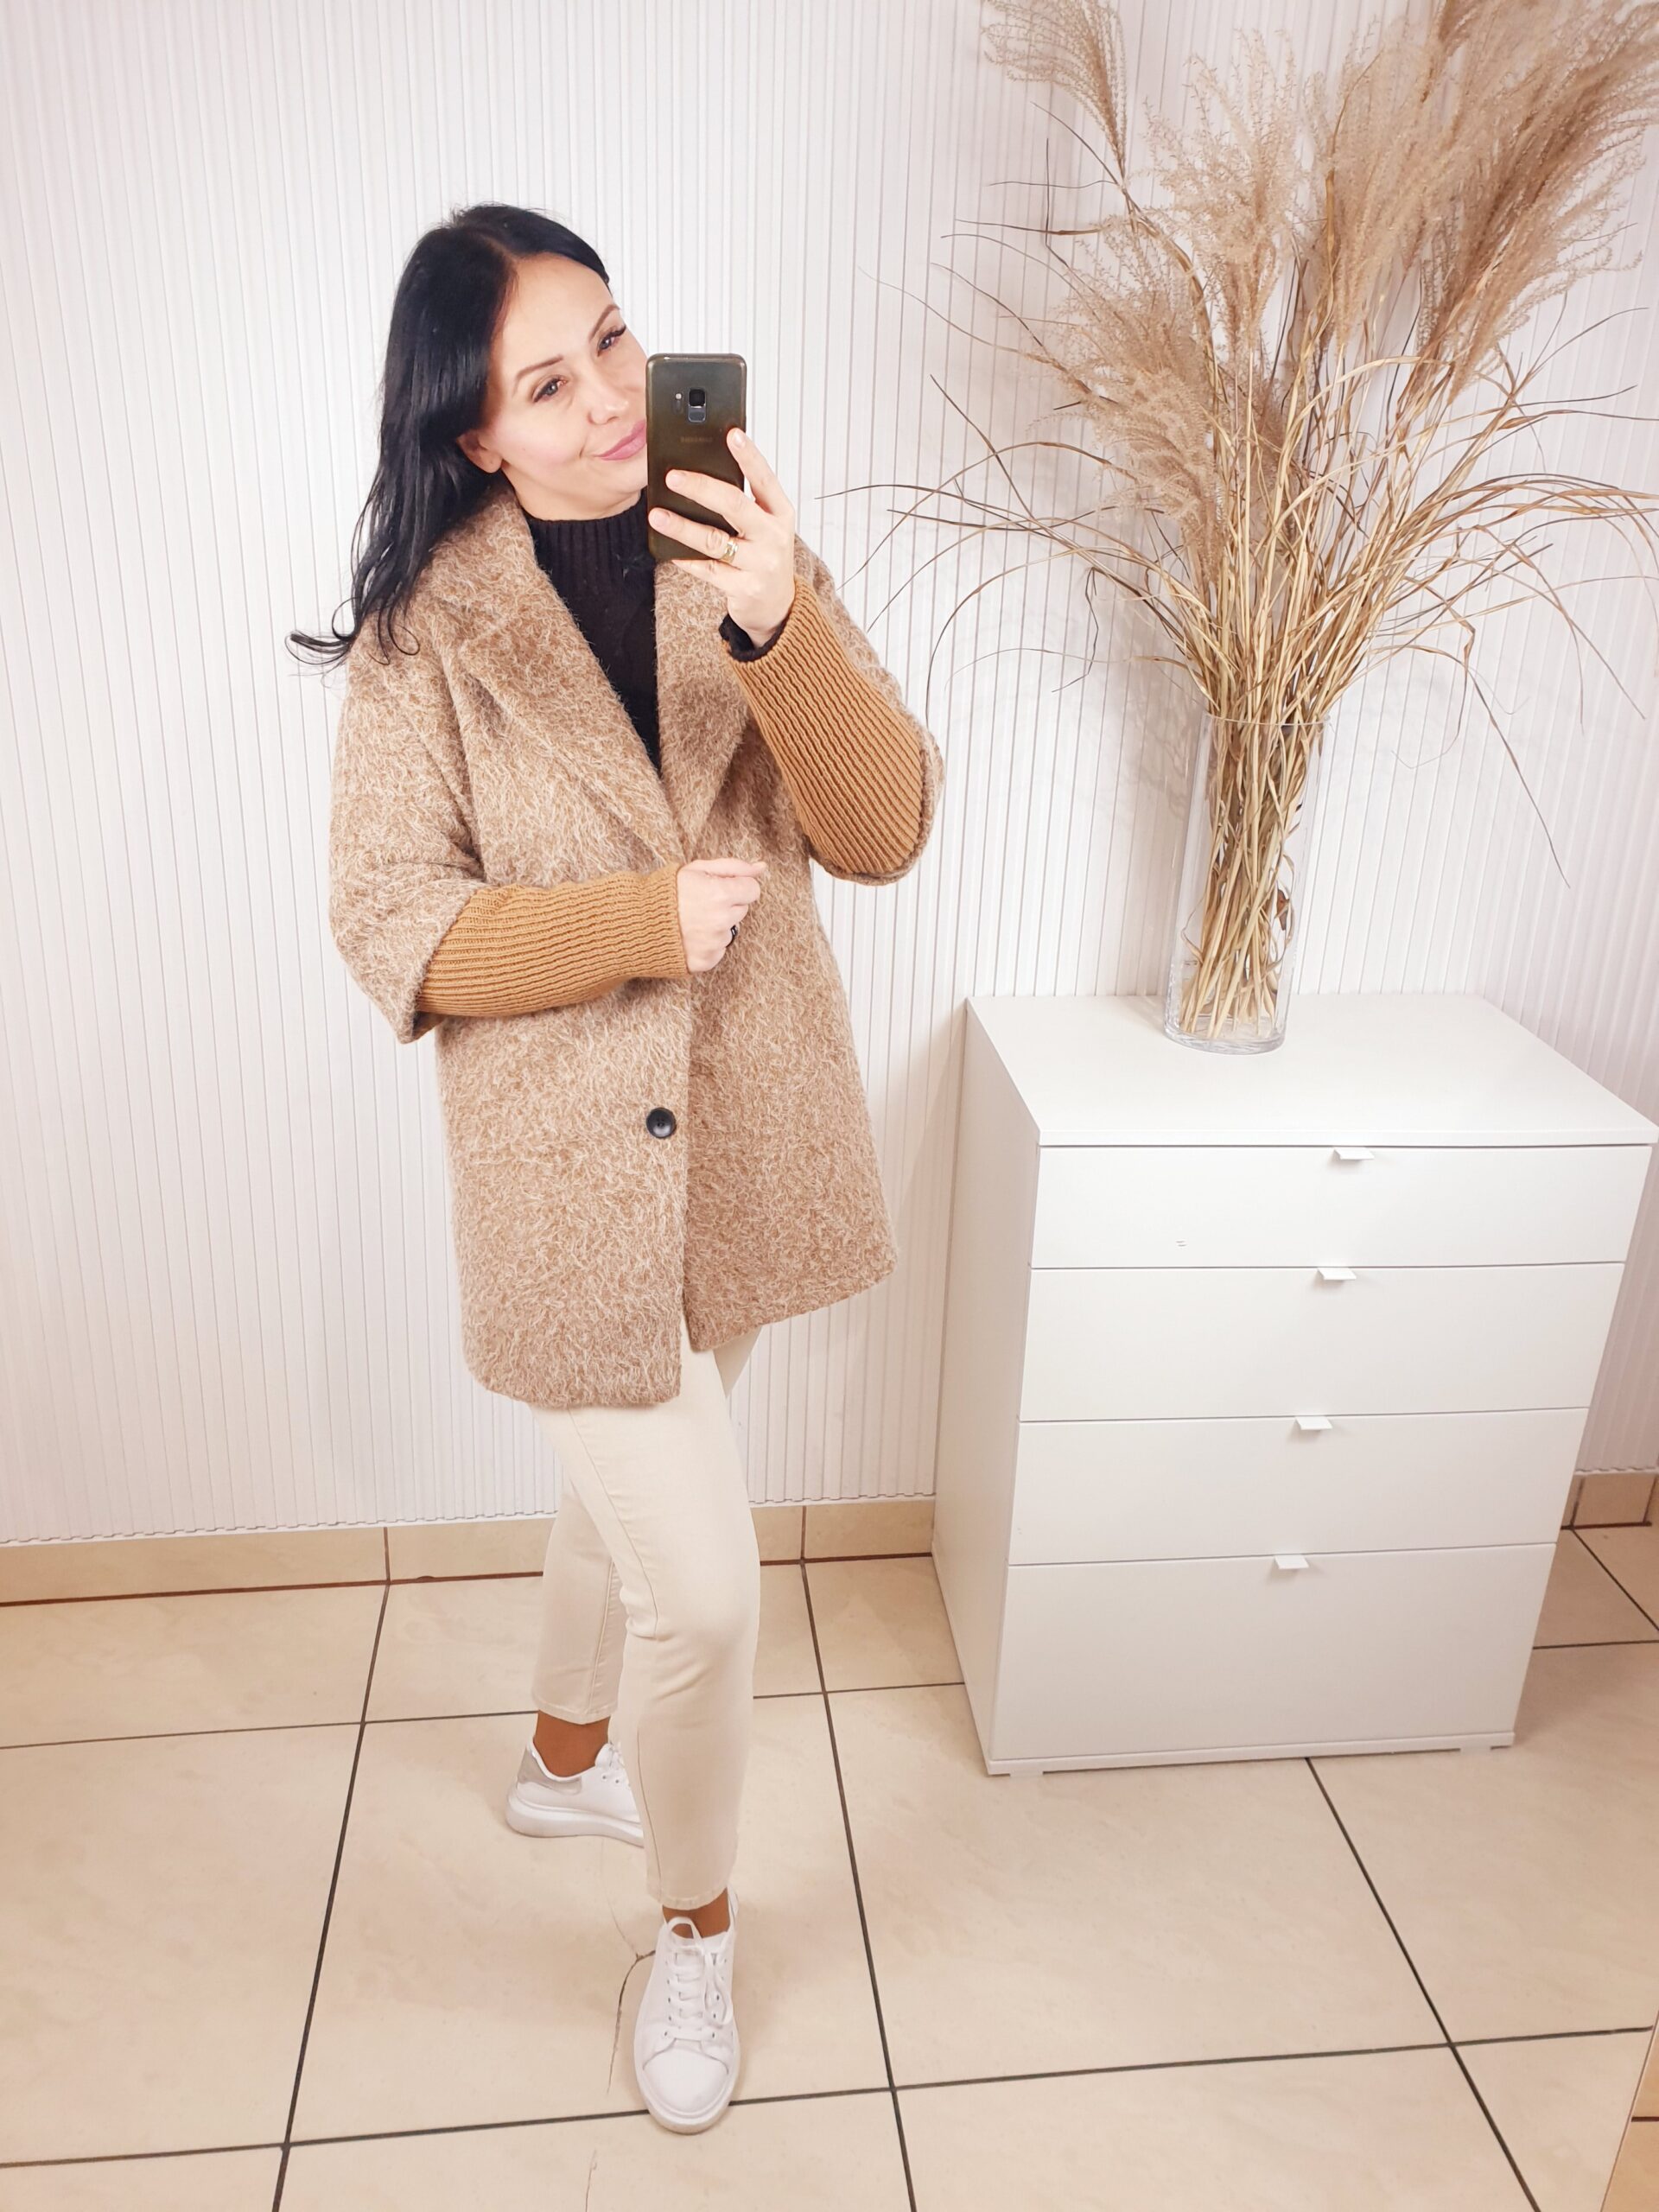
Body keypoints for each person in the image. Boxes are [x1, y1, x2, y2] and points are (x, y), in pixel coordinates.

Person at [295, 204, 943, 2134]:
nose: (602, 400)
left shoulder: (730, 545)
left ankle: (564, 1753)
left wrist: (782, 622)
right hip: (563, 1175)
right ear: (474, 433)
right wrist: (638, 920)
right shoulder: (425, 640)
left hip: (741, 1142)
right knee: (713, 1597)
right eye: (544, 382)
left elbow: (885, 828)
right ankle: (695, 1929)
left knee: (634, 1500)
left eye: (614, 342)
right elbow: (393, 927)